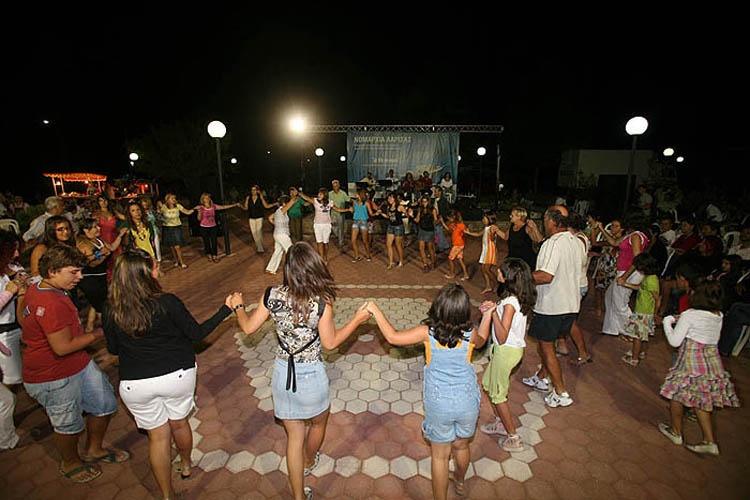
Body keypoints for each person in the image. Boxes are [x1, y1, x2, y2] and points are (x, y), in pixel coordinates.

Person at [231, 241, 371, 500]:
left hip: (282, 374)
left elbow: (248, 328)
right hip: (312, 375)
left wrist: (239, 306)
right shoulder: (321, 303)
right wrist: (356, 320)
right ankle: (309, 460)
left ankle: (298, 495)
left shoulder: (271, 295)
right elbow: (330, 343)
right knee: (319, 422)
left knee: (293, 437)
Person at [103, 249, 234, 500]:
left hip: (135, 385)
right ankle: (185, 465)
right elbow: (196, 334)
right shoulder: (167, 302)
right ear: (143, 275)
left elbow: (113, 349)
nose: (158, 271)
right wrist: (226, 309)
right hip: (176, 376)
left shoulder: (111, 309)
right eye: (154, 267)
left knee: (158, 438)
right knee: (179, 423)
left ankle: (166, 495)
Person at [364, 284, 491, 500]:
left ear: (438, 308)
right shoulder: (470, 335)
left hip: (439, 404)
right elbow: (483, 339)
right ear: (464, 311)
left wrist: (375, 310)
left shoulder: (427, 333)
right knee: (461, 446)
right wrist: (487, 315)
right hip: (468, 401)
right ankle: (460, 481)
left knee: (440, 457)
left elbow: (393, 337)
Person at [21, 245, 129, 483]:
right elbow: (62, 347)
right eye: (73, 272)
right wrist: (100, 332)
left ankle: (94, 449)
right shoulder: (51, 303)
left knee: (104, 404)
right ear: (52, 271)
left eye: (80, 271)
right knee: (67, 424)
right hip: (53, 375)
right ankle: (70, 462)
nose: (79, 277)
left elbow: (22, 316)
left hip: (78, 364)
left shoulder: (38, 287)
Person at [658, 279, 740, 456]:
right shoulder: (718, 315)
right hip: (710, 361)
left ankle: (675, 432)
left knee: (676, 394)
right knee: (701, 399)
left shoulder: (690, 315)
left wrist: (667, 321)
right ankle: (709, 441)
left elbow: (674, 341)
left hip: (691, 359)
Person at [521, 206, 581, 408]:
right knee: (549, 343)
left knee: (546, 348)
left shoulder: (553, 243)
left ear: (553, 222)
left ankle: (561, 392)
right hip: (570, 304)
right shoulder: (576, 241)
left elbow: (545, 275)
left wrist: (519, 277)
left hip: (552, 305)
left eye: (545, 219)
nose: (544, 223)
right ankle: (542, 377)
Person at [478, 258, 537, 452]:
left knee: (498, 395)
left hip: (505, 351)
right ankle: (500, 422)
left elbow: (502, 336)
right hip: (508, 351)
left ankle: (513, 437)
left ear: (508, 277)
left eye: (501, 271)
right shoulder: (516, 297)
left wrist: (493, 313)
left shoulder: (510, 303)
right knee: (489, 384)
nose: (497, 271)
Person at [598, 217, 649, 338]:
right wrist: (601, 228)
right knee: (610, 296)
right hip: (625, 271)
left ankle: (634, 332)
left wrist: (624, 277)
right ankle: (612, 328)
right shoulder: (631, 235)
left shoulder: (636, 236)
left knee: (620, 303)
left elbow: (637, 259)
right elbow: (614, 243)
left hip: (629, 272)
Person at [75, 218, 127, 332]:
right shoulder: (84, 244)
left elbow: (112, 247)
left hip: (101, 276)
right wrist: (103, 254)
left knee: (98, 303)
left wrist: (120, 236)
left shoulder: (98, 240)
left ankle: (90, 326)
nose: (98, 228)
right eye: (95, 227)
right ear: (86, 230)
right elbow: (92, 264)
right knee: (102, 305)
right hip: (90, 279)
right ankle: (109, 328)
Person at [619, 253, 662, 365]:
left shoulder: (651, 280)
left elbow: (657, 298)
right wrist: (626, 284)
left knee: (637, 336)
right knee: (642, 335)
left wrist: (655, 313)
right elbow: (641, 288)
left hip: (644, 312)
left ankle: (634, 358)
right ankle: (639, 352)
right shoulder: (649, 277)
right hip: (642, 310)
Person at [0, 229, 26, 387]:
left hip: (22, 326)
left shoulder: (14, 267)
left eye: (18, 249)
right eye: (12, 250)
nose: (16, 254)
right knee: (13, 380)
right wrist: (9, 292)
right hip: (4, 332)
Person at [298, 187, 347, 263]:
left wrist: (347, 210)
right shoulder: (315, 201)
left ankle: (325, 256)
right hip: (318, 225)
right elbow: (307, 198)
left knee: (325, 243)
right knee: (319, 243)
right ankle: (321, 259)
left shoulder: (330, 202)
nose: (319, 195)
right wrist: (300, 193)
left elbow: (337, 209)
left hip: (326, 225)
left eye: (320, 194)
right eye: (318, 193)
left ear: (325, 195)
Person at [588, 217, 623, 318]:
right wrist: (594, 228)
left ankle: (606, 311)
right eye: (612, 226)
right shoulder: (609, 238)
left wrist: (601, 229)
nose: (613, 228)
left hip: (614, 268)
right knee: (599, 288)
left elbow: (613, 243)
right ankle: (598, 309)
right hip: (604, 266)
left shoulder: (621, 240)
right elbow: (595, 243)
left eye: (616, 226)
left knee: (610, 291)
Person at [29, 215, 76, 282]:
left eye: (67, 228)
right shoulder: (41, 248)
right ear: (52, 231)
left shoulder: (71, 245)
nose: (65, 232)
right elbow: (35, 273)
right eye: (60, 229)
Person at [195, 192, 238, 263]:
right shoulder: (201, 208)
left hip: (213, 226)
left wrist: (234, 205)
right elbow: (199, 219)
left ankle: (214, 255)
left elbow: (223, 207)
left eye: (208, 197)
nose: (207, 199)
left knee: (214, 241)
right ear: (203, 199)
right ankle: (209, 254)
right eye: (206, 198)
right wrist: (199, 212)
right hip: (204, 227)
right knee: (206, 242)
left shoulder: (213, 206)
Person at [159, 193, 195, 269]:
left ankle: (182, 262)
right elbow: (159, 215)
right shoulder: (164, 207)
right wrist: (158, 208)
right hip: (167, 228)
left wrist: (194, 209)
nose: (174, 200)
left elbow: (187, 212)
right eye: (172, 198)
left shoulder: (178, 206)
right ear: (167, 200)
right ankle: (176, 260)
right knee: (172, 246)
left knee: (177, 246)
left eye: (174, 198)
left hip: (176, 227)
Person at [240, 185, 277, 254]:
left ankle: (260, 248)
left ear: (257, 191)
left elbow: (266, 206)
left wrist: (274, 204)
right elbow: (246, 208)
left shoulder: (260, 197)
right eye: (252, 190)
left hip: (259, 217)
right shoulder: (248, 198)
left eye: (254, 190)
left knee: (259, 232)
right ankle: (259, 245)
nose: (253, 191)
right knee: (254, 233)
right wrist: (240, 206)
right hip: (251, 218)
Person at [265, 194, 297, 275]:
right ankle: (294, 270)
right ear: (284, 203)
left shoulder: (278, 211)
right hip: (282, 235)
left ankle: (270, 269)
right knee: (291, 251)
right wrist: (295, 194)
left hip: (277, 234)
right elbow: (292, 201)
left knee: (278, 252)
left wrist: (277, 224)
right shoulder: (282, 210)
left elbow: (270, 218)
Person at [376, 192, 408, 269]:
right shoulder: (388, 207)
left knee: (398, 244)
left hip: (398, 227)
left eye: (391, 197)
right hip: (391, 226)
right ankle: (391, 262)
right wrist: (381, 213)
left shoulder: (399, 207)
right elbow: (388, 216)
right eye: (389, 198)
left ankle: (401, 261)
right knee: (388, 244)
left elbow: (406, 214)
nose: (390, 199)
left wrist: (407, 213)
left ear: (395, 199)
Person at [473, 212, 501, 294]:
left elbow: (492, 239)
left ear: (489, 219)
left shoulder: (492, 227)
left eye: (484, 218)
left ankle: (496, 284)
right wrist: (468, 232)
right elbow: (478, 234)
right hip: (485, 250)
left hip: (490, 250)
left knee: (487, 269)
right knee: (483, 269)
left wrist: (492, 233)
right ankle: (488, 286)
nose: (483, 220)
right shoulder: (486, 228)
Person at [440, 210, 471, 281]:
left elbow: (466, 232)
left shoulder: (461, 225)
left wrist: (466, 232)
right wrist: (442, 222)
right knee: (460, 259)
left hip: (458, 244)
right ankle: (466, 274)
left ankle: (452, 274)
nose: (449, 220)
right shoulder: (453, 224)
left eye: (449, 218)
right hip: (458, 244)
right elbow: (448, 229)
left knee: (450, 259)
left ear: (453, 217)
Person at [347, 189, 374, 262]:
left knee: (365, 241)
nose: (355, 195)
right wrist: (351, 210)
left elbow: (371, 213)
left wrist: (376, 213)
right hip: (356, 221)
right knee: (353, 240)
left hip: (364, 222)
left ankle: (368, 255)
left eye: (357, 193)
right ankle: (357, 256)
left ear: (360, 195)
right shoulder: (354, 202)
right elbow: (354, 211)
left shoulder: (366, 203)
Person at [414, 194, 438, 272]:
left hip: (430, 230)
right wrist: (412, 216)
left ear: (428, 202)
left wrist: (437, 221)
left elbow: (435, 220)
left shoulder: (433, 210)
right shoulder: (420, 209)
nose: (424, 203)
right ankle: (425, 264)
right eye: (423, 202)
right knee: (421, 247)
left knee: (430, 248)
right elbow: (417, 220)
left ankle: (433, 262)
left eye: (426, 202)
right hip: (422, 229)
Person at [139, 197, 163, 267]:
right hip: (144, 231)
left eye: (145, 204)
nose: (144, 206)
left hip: (154, 230)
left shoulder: (152, 211)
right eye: (143, 205)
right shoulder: (140, 213)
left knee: (157, 247)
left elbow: (160, 218)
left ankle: (158, 263)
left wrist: (160, 212)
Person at [328, 180, 350, 249]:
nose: (335, 187)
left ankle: (341, 242)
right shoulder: (330, 194)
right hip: (333, 213)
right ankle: (337, 235)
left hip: (341, 213)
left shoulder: (343, 193)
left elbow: (348, 200)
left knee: (341, 228)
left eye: (336, 186)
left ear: (339, 186)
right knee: (333, 226)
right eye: (334, 186)